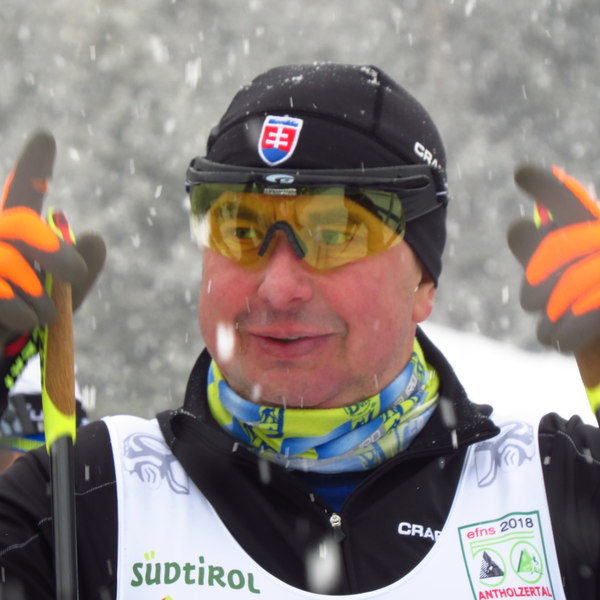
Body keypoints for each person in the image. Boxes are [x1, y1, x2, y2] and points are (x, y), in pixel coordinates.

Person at [0, 63, 599, 600]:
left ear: (423, 281)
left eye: (335, 233)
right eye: (240, 229)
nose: (278, 288)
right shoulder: (84, 500)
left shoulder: (554, 488)